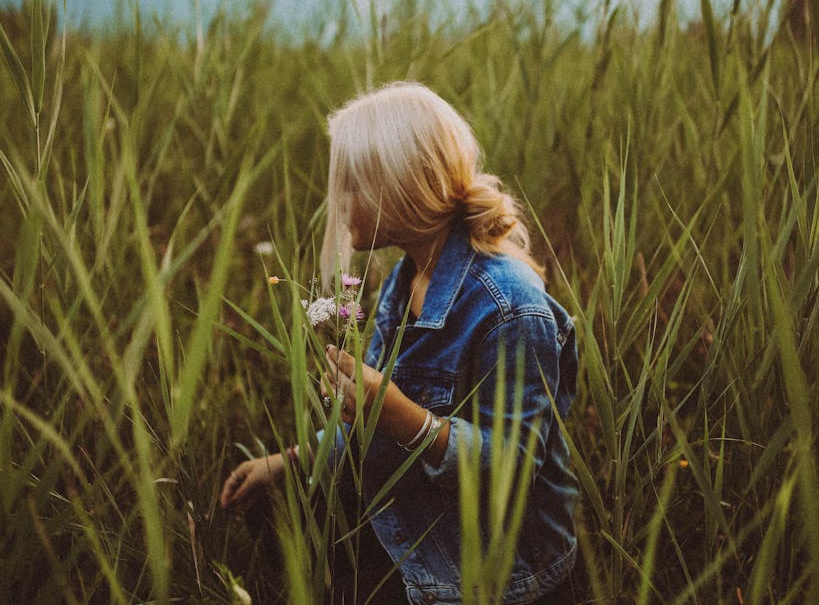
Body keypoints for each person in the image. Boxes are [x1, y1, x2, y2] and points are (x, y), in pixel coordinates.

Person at [219, 81, 580, 604]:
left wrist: (402, 417)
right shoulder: (406, 278)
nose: (338, 203)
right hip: (430, 514)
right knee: (277, 510)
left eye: (353, 186)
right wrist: (291, 459)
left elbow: (513, 468)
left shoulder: (509, 306)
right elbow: (373, 422)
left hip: (502, 566)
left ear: (403, 187)